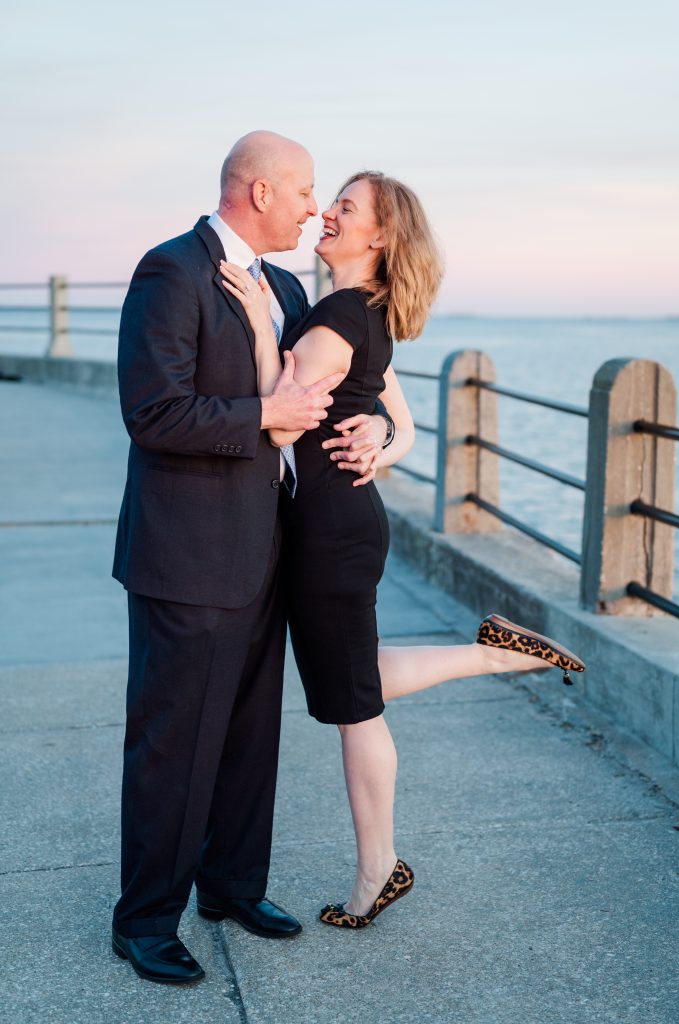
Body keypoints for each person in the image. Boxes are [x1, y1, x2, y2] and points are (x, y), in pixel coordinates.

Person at [221, 169, 586, 931]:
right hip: (338, 519)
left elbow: (281, 422)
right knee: (349, 681)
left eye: (345, 209)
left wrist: (258, 321)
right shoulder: (361, 313)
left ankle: (376, 871)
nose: (327, 213)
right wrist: (385, 441)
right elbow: (400, 418)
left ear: (379, 237)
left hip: (329, 527)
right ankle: (491, 654)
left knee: (355, 709)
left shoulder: (336, 315)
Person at [110, 132, 391, 985]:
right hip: (189, 552)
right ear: (261, 192)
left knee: (245, 736)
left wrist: (377, 426)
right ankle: (146, 919)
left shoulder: (285, 284)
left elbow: (341, 380)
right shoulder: (171, 271)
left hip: (272, 543)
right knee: (173, 742)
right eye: (306, 193)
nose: (314, 209)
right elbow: (154, 413)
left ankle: (231, 887)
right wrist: (265, 417)